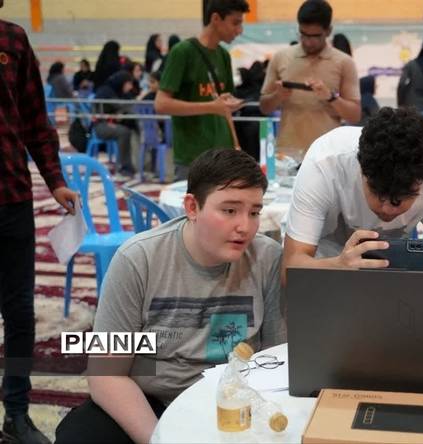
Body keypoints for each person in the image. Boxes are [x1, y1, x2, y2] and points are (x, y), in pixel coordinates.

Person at [54, 149, 286, 444]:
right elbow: (106, 374)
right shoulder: (138, 259)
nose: (245, 227)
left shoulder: (267, 259)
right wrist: (160, 439)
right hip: (149, 400)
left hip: (231, 401)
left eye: (254, 212)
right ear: (192, 207)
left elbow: (277, 361)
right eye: (229, 211)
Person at [0, 6, 78, 443]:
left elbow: (33, 118)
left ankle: (16, 413)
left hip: (12, 198)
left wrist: (56, 180)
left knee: (19, 312)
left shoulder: (12, 40)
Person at [282, 107, 423, 283]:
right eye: (378, 193)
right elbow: (289, 271)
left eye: (401, 198)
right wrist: (337, 265)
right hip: (322, 272)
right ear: (361, 170)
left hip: (392, 279)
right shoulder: (324, 163)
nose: (387, 209)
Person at [155, 0, 247, 181]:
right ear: (216, 18)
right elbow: (161, 104)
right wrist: (211, 107)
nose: (240, 30)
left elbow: (224, 108)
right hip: (192, 157)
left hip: (223, 155)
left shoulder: (223, 55)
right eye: (235, 23)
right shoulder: (182, 52)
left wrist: (236, 145)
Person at [259, 0, 361, 159]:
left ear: (328, 31)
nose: (308, 41)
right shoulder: (281, 58)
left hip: (327, 154)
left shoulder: (344, 62)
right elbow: (264, 107)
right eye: (303, 34)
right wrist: (277, 96)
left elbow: (354, 116)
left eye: (315, 36)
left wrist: (331, 97)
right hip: (287, 153)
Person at [93, 71, 139, 176]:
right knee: (124, 132)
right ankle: (123, 167)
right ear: (122, 82)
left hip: (113, 123)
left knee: (132, 128)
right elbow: (121, 106)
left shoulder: (120, 92)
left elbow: (130, 105)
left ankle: (136, 164)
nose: (131, 87)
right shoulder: (105, 92)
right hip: (101, 125)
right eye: (129, 83)